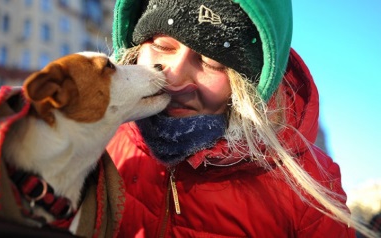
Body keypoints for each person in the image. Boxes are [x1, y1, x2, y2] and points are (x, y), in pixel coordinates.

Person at [106, 0, 377, 237]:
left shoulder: (308, 196)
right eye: (162, 46)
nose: (175, 77)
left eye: (212, 62)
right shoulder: (99, 139)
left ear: (249, 83)